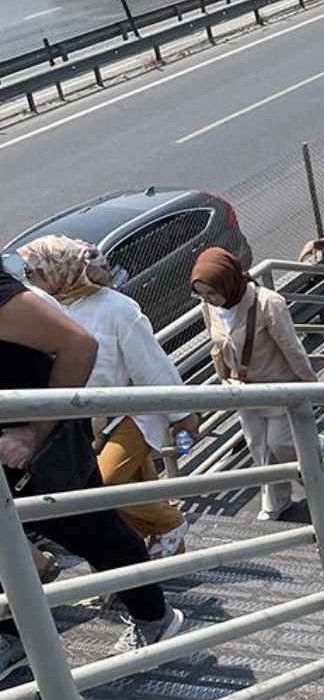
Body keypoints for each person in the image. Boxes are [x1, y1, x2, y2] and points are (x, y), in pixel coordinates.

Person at [0, 268, 185, 678]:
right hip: (14, 453)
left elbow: (78, 344)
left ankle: (156, 619)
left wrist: (34, 431)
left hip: (42, 450)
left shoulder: (4, 296)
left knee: (94, 532)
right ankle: (15, 634)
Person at [18, 237, 196, 559]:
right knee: (128, 490)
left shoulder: (117, 308)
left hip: (129, 413)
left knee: (107, 485)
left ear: (59, 271)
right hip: (88, 421)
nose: (28, 277)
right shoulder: (48, 309)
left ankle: (170, 524)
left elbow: (150, 364)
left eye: (34, 271)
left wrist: (181, 414)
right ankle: (148, 558)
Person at [194, 247, 317, 521]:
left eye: (212, 293)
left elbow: (292, 349)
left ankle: (318, 468)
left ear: (228, 281)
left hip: (279, 389)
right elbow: (219, 344)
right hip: (243, 392)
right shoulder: (208, 307)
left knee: (281, 443)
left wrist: (312, 388)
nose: (207, 300)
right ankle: (275, 501)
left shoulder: (267, 303)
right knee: (259, 447)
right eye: (201, 294)